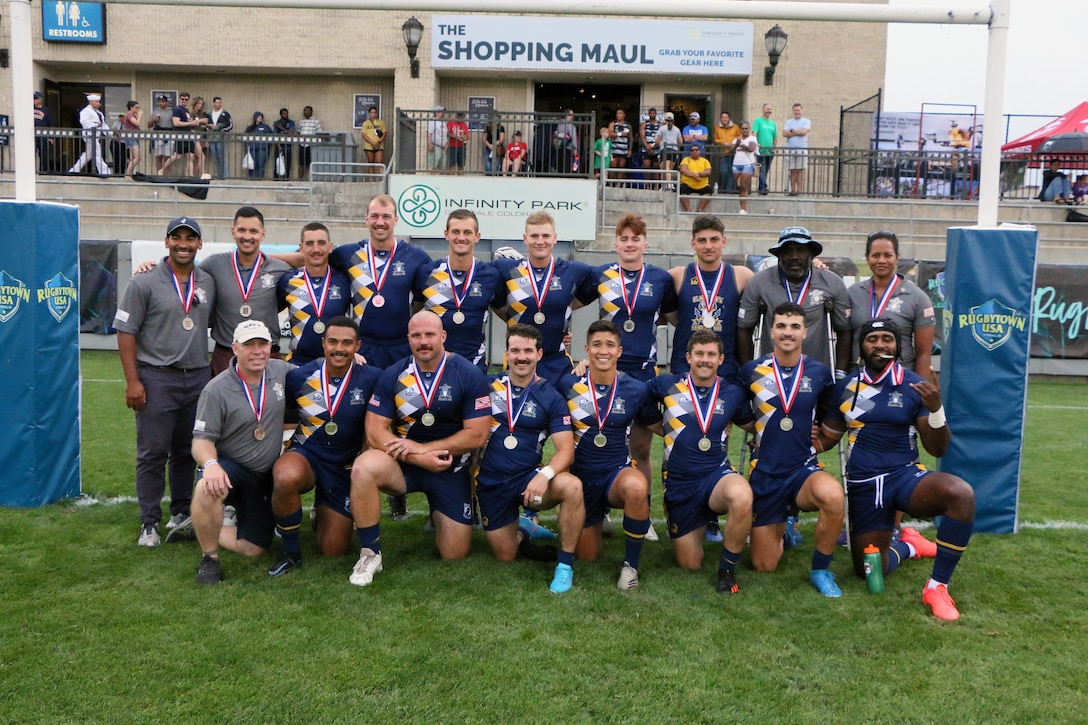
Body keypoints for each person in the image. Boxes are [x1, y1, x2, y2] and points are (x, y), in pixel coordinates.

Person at [818, 318, 976, 621]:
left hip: (904, 478)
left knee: (961, 494)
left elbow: (937, 449)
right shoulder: (845, 388)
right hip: (863, 485)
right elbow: (828, 437)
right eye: (873, 338)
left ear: (898, 346)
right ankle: (909, 545)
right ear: (861, 348)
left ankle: (936, 587)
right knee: (868, 570)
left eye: (887, 338)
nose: (880, 344)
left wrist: (936, 409)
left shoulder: (914, 384)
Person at [347, 311, 492, 586]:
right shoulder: (394, 374)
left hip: (450, 468)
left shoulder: (468, 373)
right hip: (405, 464)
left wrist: (427, 450)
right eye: (416, 335)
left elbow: (478, 435)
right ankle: (369, 552)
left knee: (454, 554)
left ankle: (440, 511)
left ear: (443, 337)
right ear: (408, 339)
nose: (423, 341)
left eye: (429, 335)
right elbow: (374, 431)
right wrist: (417, 455)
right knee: (364, 466)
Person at [114, 216, 216, 547]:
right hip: (157, 376)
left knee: (189, 451)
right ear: (167, 241)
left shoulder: (208, 280)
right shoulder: (144, 281)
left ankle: (181, 512)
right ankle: (148, 523)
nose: (183, 243)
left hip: (198, 376)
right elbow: (126, 331)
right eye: (177, 237)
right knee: (153, 452)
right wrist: (133, 381)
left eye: (190, 238)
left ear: (199, 243)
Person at [737, 302, 844, 597]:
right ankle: (784, 527)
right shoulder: (751, 371)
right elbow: (736, 409)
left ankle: (821, 570)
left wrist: (820, 435)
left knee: (833, 496)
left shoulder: (819, 372)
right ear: (771, 331)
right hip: (766, 473)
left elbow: (830, 412)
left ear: (805, 333)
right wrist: (758, 430)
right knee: (763, 565)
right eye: (781, 326)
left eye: (794, 326)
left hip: (802, 469)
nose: (788, 332)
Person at [268, 317, 382, 576]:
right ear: (323, 343)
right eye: (332, 342)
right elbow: (276, 412)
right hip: (308, 455)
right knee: (285, 476)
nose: (339, 348)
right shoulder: (299, 377)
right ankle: (291, 553)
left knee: (333, 549)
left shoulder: (372, 378)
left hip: (344, 467)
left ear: (358, 346)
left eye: (346, 343)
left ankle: (323, 510)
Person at [477, 324, 585, 593]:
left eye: (527, 351)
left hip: (528, 481)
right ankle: (525, 528)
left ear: (539, 354)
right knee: (505, 555)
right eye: (515, 350)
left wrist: (544, 475)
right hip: (492, 481)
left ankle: (564, 566)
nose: (521, 357)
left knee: (572, 486)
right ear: (506, 354)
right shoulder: (486, 386)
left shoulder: (552, 396)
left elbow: (566, 450)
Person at [647, 330, 754, 594]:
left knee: (742, 496)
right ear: (688, 357)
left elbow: (752, 423)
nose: (705, 360)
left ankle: (727, 571)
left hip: (716, 475)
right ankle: (698, 521)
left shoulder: (732, 392)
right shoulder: (666, 385)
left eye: (711, 355)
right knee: (689, 564)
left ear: (720, 359)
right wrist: (665, 428)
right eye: (699, 354)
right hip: (680, 482)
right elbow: (638, 401)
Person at [189, 320, 292, 585]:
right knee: (206, 487)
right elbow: (200, 441)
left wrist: (355, 359)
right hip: (231, 468)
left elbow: (321, 373)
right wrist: (211, 464)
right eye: (249, 345)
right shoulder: (216, 389)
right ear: (235, 348)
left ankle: (206, 522)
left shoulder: (280, 370)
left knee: (254, 549)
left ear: (271, 347)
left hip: (264, 475)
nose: (257, 351)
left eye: (262, 344)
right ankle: (209, 558)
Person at [558, 321, 659, 590]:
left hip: (615, 474)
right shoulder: (567, 384)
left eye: (610, 345)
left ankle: (630, 566)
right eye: (597, 345)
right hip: (580, 480)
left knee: (637, 486)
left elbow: (657, 424)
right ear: (587, 349)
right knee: (589, 557)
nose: (603, 351)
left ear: (619, 351)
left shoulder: (636, 389)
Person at [491, 211, 598, 386]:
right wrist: (513, 321)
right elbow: (492, 299)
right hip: (519, 361)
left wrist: (558, 319)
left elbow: (605, 281)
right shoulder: (507, 269)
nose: (540, 241)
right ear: (525, 239)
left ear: (555, 238)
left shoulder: (573, 271)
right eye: (534, 236)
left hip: (556, 363)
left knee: (559, 411)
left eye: (546, 235)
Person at [327, 194, 433, 369]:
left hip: (402, 349)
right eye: (375, 216)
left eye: (386, 216)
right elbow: (313, 258)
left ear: (396, 220)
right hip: (363, 349)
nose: (380, 222)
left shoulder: (416, 257)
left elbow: (426, 299)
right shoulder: (347, 255)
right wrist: (266, 258)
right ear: (366, 219)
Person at [737, 226, 852, 373]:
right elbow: (744, 329)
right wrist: (750, 370)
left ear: (811, 254)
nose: (794, 256)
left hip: (817, 375)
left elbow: (845, 331)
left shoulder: (832, 283)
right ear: (778, 255)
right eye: (787, 251)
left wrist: (840, 372)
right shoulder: (759, 282)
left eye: (801, 250)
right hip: (770, 375)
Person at [198, 206, 293, 374]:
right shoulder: (214, 264)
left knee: (269, 401)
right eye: (241, 230)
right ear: (233, 232)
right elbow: (182, 270)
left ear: (263, 234)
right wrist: (150, 265)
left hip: (266, 355)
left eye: (253, 231)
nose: (247, 237)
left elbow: (309, 258)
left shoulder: (280, 269)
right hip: (226, 354)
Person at [668, 215, 753, 382]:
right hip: (684, 368)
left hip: (726, 370)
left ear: (724, 241)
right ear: (693, 243)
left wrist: (814, 266)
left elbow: (774, 281)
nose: (708, 246)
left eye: (714, 239)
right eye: (702, 240)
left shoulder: (742, 275)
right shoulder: (677, 275)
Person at [418, 209, 503, 374]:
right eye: (455, 231)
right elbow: (410, 312)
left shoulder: (491, 276)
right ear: (446, 234)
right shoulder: (426, 273)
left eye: (467, 232)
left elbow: (510, 315)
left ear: (477, 236)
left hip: (475, 368)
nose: (461, 237)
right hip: (434, 367)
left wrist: (561, 333)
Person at [848, 230, 936, 380]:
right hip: (860, 379)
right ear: (867, 258)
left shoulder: (917, 297)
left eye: (887, 255)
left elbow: (923, 354)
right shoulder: (852, 293)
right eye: (875, 255)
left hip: (899, 381)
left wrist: (921, 392)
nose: (881, 260)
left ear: (897, 258)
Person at [277, 222, 352, 366]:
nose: (316, 249)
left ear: (330, 247)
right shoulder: (287, 282)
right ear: (301, 248)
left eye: (321, 243)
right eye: (310, 243)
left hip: (337, 363)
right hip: (298, 363)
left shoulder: (345, 279)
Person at [68, 92, 111, 176]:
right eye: (96, 102)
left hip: (96, 135)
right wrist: (95, 125)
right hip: (90, 135)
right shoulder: (86, 111)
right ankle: (105, 172)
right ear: (91, 102)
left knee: (88, 154)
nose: (99, 104)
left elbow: (103, 125)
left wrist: (110, 133)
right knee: (97, 153)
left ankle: (74, 170)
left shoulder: (99, 113)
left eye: (98, 102)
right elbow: (84, 122)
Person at [163, 91, 203, 176]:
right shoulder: (177, 109)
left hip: (188, 136)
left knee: (190, 156)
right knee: (177, 156)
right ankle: (162, 169)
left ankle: (190, 176)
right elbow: (176, 123)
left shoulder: (186, 111)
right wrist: (191, 123)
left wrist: (191, 127)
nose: (184, 101)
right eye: (182, 99)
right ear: (180, 99)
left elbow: (186, 122)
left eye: (186, 99)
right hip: (180, 136)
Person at [782, 103, 811, 196]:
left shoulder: (806, 121)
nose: (797, 112)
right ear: (793, 111)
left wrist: (792, 131)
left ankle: (799, 190)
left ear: (801, 110)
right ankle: (793, 190)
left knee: (799, 170)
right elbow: (784, 133)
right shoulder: (789, 122)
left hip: (801, 149)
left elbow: (804, 132)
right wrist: (797, 132)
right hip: (790, 149)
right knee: (792, 170)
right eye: (795, 110)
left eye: (798, 110)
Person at [732, 122, 759, 214]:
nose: (744, 130)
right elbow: (730, 152)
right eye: (743, 128)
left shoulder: (752, 138)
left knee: (744, 186)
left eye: (746, 128)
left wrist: (742, 145)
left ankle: (743, 209)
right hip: (736, 164)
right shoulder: (737, 139)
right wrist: (736, 144)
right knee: (740, 187)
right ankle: (742, 208)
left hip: (747, 163)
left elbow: (751, 149)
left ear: (749, 129)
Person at [713, 111, 741, 194]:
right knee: (723, 172)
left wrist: (733, 143)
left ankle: (729, 191)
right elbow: (715, 139)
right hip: (723, 154)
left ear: (729, 118)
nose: (724, 119)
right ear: (720, 118)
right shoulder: (717, 128)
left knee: (732, 173)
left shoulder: (735, 127)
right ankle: (724, 189)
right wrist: (723, 142)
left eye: (726, 117)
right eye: (723, 117)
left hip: (734, 154)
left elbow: (740, 137)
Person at [752, 103, 777, 195]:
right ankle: (763, 188)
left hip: (769, 151)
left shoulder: (773, 124)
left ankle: (761, 188)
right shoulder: (758, 121)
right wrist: (756, 143)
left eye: (770, 109)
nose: (769, 111)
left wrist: (774, 148)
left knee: (766, 170)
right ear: (763, 110)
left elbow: (775, 137)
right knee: (762, 170)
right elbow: (754, 132)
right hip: (760, 151)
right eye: (767, 109)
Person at [679, 144, 713, 212]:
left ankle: (700, 209)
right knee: (682, 189)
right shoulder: (686, 159)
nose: (694, 151)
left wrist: (698, 174)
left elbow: (708, 172)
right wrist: (695, 176)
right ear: (690, 152)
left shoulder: (705, 161)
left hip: (702, 185)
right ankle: (688, 209)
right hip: (687, 184)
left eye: (696, 150)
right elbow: (683, 170)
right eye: (692, 150)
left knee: (709, 190)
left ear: (699, 151)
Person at [149, 94, 175, 174]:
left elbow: (174, 124)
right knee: (159, 157)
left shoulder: (171, 112)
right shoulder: (155, 112)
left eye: (163, 101)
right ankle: (159, 175)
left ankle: (166, 176)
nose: (161, 103)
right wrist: (154, 120)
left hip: (169, 135)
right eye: (159, 102)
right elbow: (149, 125)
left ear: (166, 102)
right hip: (158, 135)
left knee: (167, 158)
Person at [209, 96, 233, 178]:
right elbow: (206, 126)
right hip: (212, 138)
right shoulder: (209, 114)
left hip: (221, 139)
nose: (219, 104)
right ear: (214, 103)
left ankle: (224, 177)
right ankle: (220, 176)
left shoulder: (225, 113)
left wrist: (219, 127)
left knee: (222, 158)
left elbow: (230, 125)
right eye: (217, 102)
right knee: (216, 159)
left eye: (220, 103)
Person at [244, 112, 274, 179]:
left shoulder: (265, 127)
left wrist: (266, 145)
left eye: (261, 116)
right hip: (252, 149)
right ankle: (252, 178)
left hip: (262, 149)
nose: (260, 118)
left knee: (261, 164)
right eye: (258, 116)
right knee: (252, 165)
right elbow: (245, 137)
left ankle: (259, 178)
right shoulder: (250, 128)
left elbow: (271, 137)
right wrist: (247, 146)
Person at [297, 105, 323, 179]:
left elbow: (319, 133)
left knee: (311, 163)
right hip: (302, 144)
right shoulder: (301, 122)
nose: (304, 112)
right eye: (304, 111)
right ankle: (299, 179)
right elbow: (299, 132)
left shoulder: (316, 121)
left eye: (306, 110)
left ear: (311, 112)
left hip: (312, 145)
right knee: (301, 163)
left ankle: (312, 179)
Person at [655, 112, 683, 178]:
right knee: (670, 169)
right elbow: (680, 142)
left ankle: (668, 185)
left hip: (664, 150)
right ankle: (667, 185)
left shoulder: (661, 129)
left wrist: (654, 146)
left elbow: (657, 142)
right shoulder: (677, 129)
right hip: (674, 150)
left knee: (665, 169)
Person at [33, 91, 55, 173]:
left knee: (43, 155)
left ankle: (43, 171)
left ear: (40, 99)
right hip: (31, 135)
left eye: (35, 99)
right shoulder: (29, 108)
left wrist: (51, 137)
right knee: (30, 154)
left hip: (43, 135)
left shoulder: (46, 111)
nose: (34, 100)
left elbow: (50, 123)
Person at [189, 97, 211, 177]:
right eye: (199, 103)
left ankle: (196, 175)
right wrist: (200, 121)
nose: (200, 105)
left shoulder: (201, 114)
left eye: (202, 104)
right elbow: (190, 123)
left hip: (200, 137)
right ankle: (201, 175)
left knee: (199, 157)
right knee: (200, 157)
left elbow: (206, 121)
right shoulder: (191, 113)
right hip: (193, 138)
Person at [608, 109, 632, 181]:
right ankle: (612, 183)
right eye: (617, 113)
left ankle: (619, 184)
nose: (618, 115)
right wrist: (620, 134)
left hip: (624, 149)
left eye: (620, 113)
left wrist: (630, 149)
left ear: (624, 115)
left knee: (621, 167)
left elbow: (630, 138)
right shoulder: (613, 124)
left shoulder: (628, 125)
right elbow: (610, 134)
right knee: (613, 166)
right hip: (614, 148)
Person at [273, 108, 296, 179]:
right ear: (281, 114)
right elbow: (275, 135)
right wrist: (278, 146)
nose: (286, 115)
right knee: (277, 163)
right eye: (284, 113)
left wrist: (282, 128)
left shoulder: (291, 122)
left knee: (287, 164)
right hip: (279, 146)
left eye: (287, 113)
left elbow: (291, 133)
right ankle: (276, 179)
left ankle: (286, 179)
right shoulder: (277, 122)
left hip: (288, 146)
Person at [121, 100, 143, 177]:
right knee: (137, 157)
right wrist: (140, 115)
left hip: (134, 136)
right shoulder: (130, 114)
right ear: (131, 107)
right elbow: (136, 123)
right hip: (131, 137)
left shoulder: (132, 114)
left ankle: (129, 174)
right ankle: (128, 174)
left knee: (132, 158)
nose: (138, 109)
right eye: (136, 107)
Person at [427, 106, 448, 171]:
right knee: (432, 165)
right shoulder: (432, 121)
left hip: (443, 147)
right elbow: (429, 133)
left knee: (440, 167)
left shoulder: (443, 123)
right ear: (437, 113)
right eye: (441, 112)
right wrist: (429, 143)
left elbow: (445, 134)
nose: (443, 113)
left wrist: (446, 143)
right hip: (435, 146)